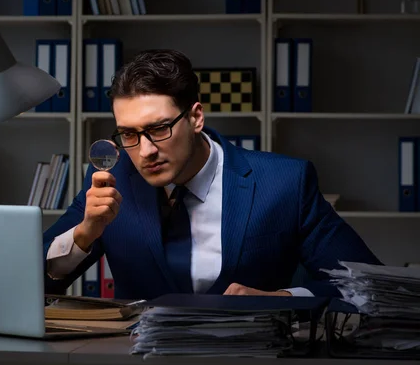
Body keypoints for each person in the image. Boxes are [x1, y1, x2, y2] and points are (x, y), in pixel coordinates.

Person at [42, 49, 382, 300]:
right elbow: (34, 281)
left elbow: (370, 285)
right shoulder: (112, 179)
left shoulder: (285, 183)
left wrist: (283, 299)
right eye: (128, 134)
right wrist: (84, 234)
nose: (144, 151)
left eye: (159, 128)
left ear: (196, 118)